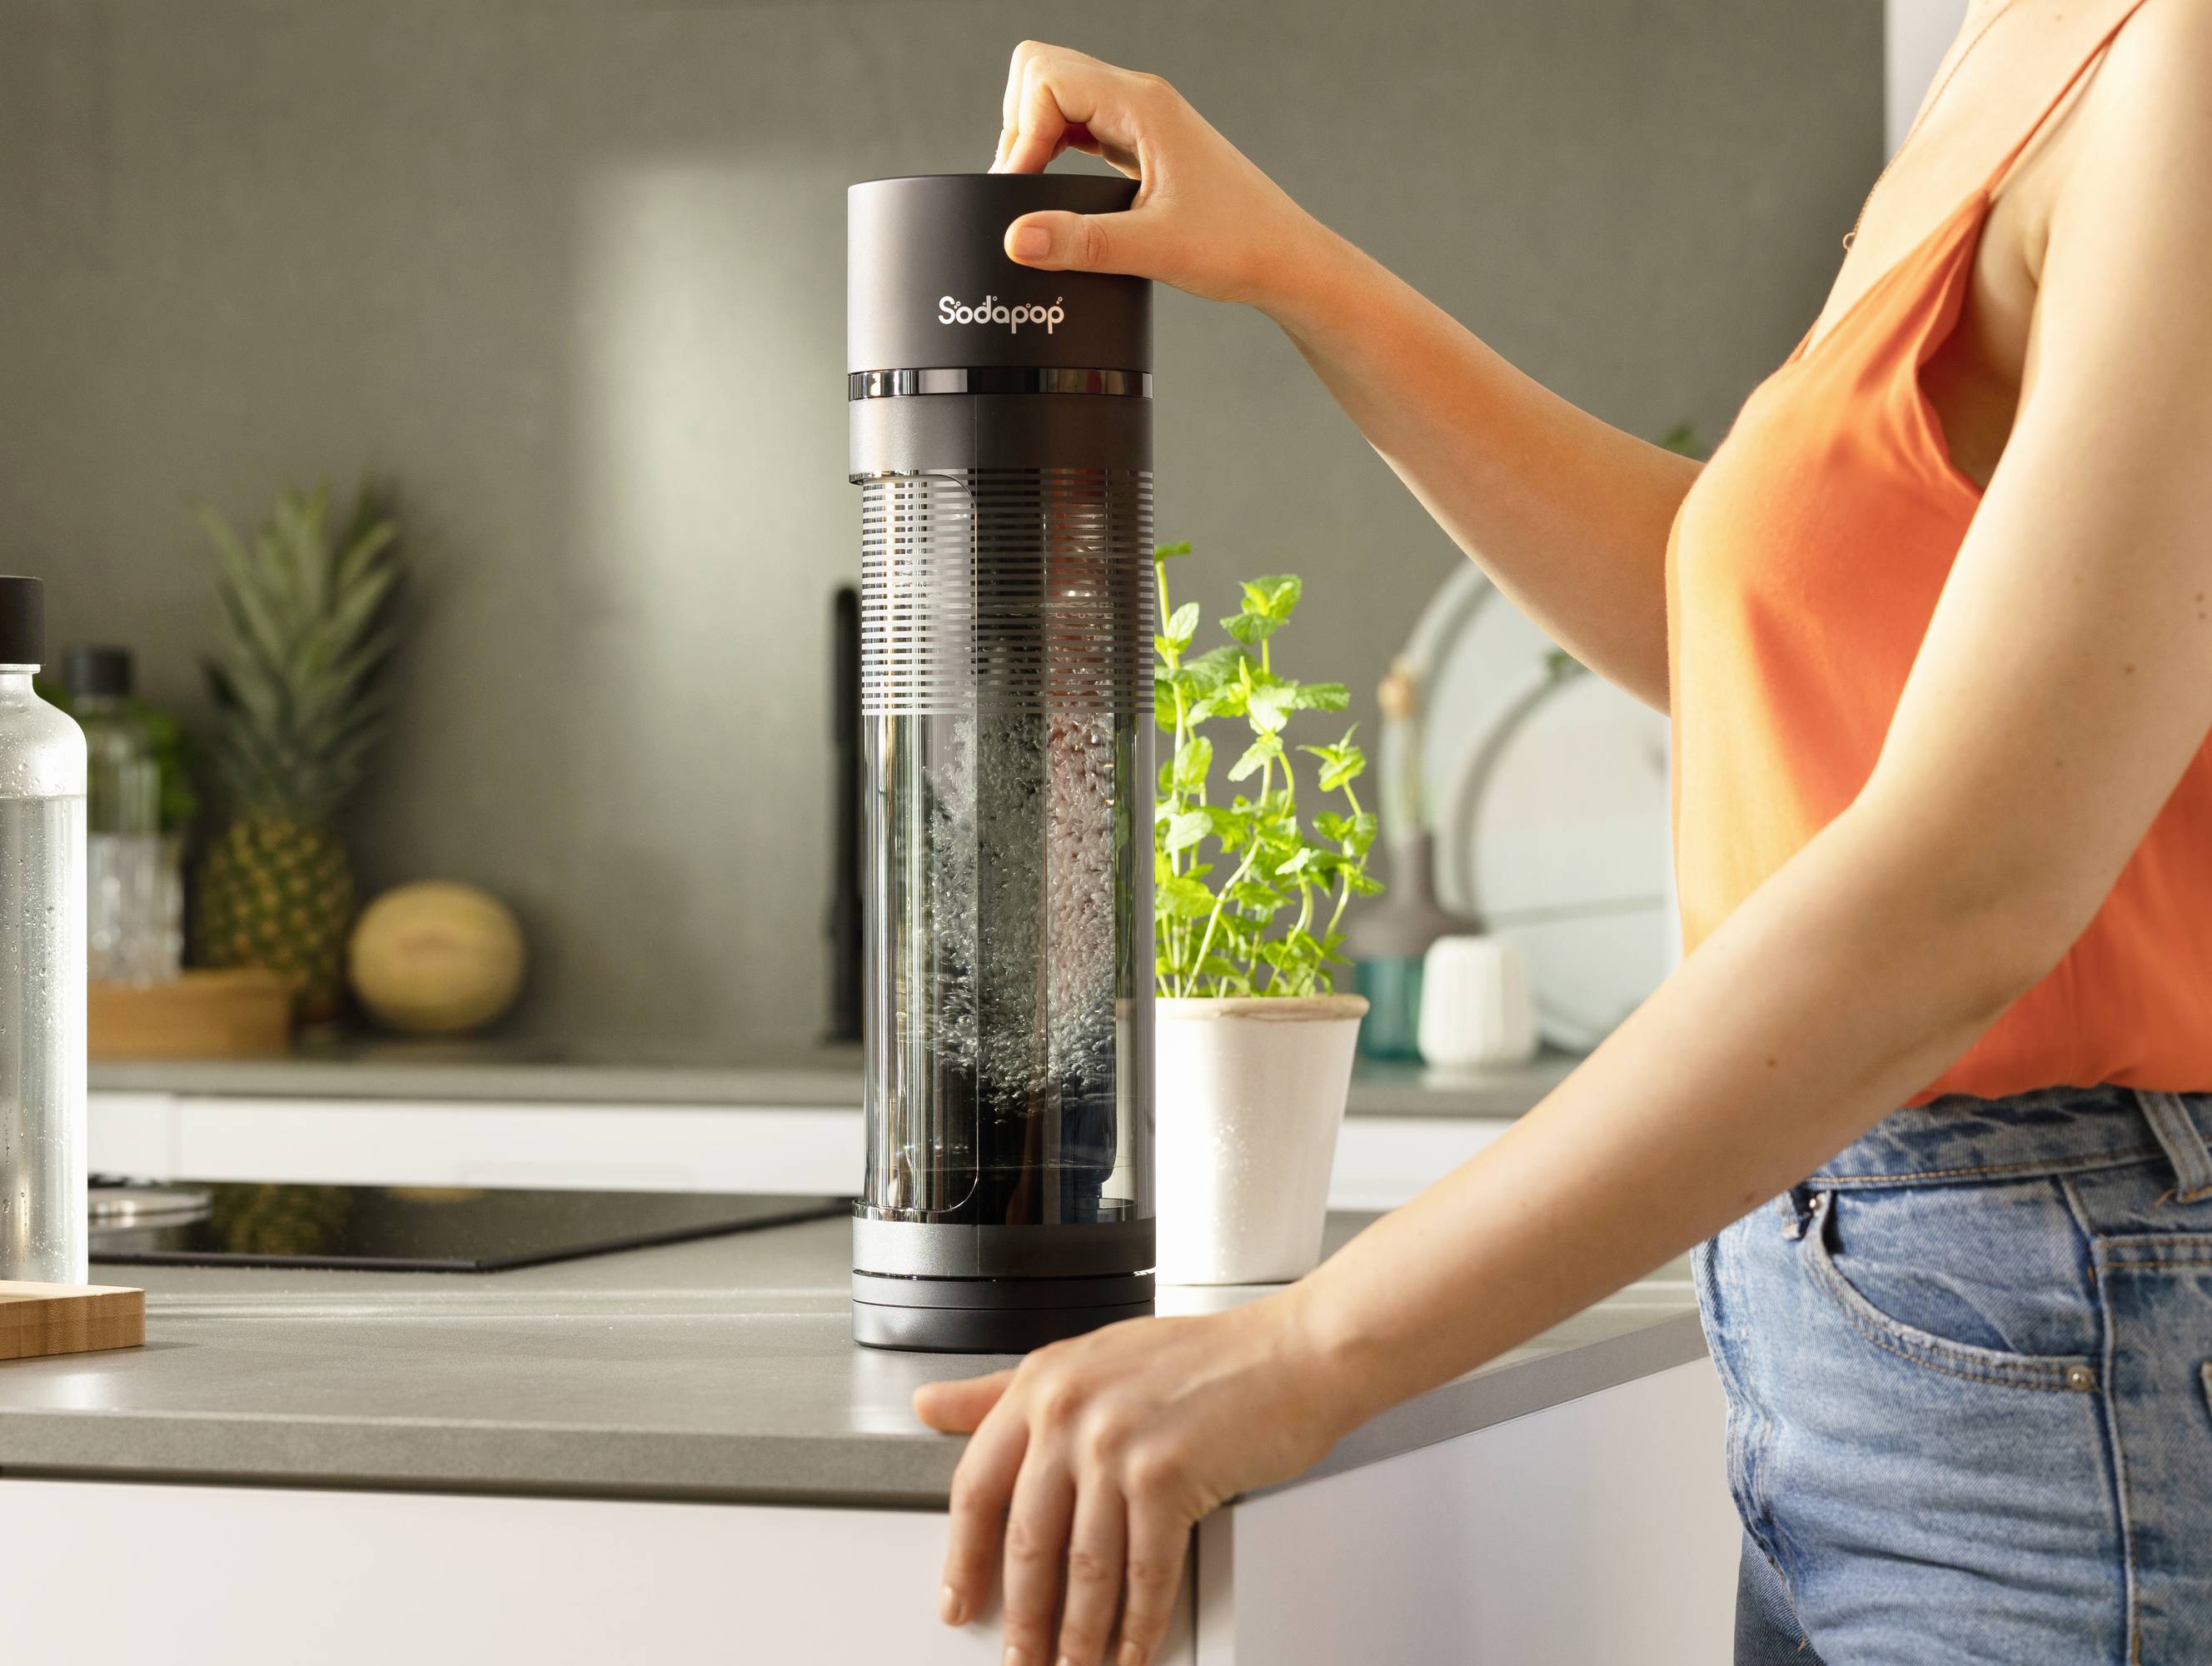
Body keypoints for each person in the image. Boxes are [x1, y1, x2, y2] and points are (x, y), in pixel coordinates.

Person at [913, 7, 2212, 1664]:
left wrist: (1319, 1345)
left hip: (2066, 1330)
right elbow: (1772, 627)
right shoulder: (2028, 31)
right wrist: (1295, 268)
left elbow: (1980, 878)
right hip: (1893, 1318)